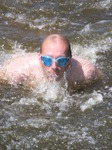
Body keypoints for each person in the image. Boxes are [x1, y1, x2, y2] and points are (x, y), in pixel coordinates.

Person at [0, 34, 101, 91]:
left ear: (69, 61)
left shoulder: (85, 73)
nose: (54, 67)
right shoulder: (18, 71)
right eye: (47, 60)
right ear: (40, 58)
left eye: (61, 61)